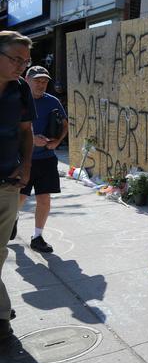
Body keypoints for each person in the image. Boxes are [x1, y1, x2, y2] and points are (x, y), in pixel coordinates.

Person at [0, 30, 35, 341]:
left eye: (25, 61)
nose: (21, 67)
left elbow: (26, 131)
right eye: (15, 59)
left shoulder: (21, 89)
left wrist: (26, 168)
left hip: (8, 183)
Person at [16, 66, 68, 254]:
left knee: (44, 198)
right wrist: (31, 139)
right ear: (26, 80)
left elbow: (64, 124)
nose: (41, 84)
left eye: (44, 81)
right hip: (21, 159)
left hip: (46, 159)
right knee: (19, 197)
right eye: (37, 80)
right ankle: (12, 220)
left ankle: (37, 237)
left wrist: (57, 142)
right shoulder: (16, 101)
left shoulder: (52, 101)